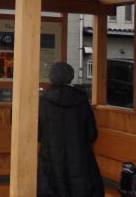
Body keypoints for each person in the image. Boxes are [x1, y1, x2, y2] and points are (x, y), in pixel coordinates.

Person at [37, 62, 105, 197]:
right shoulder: (82, 100)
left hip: (50, 158)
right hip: (79, 159)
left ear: (51, 77)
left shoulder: (42, 101)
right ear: (71, 76)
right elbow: (91, 134)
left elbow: (38, 134)